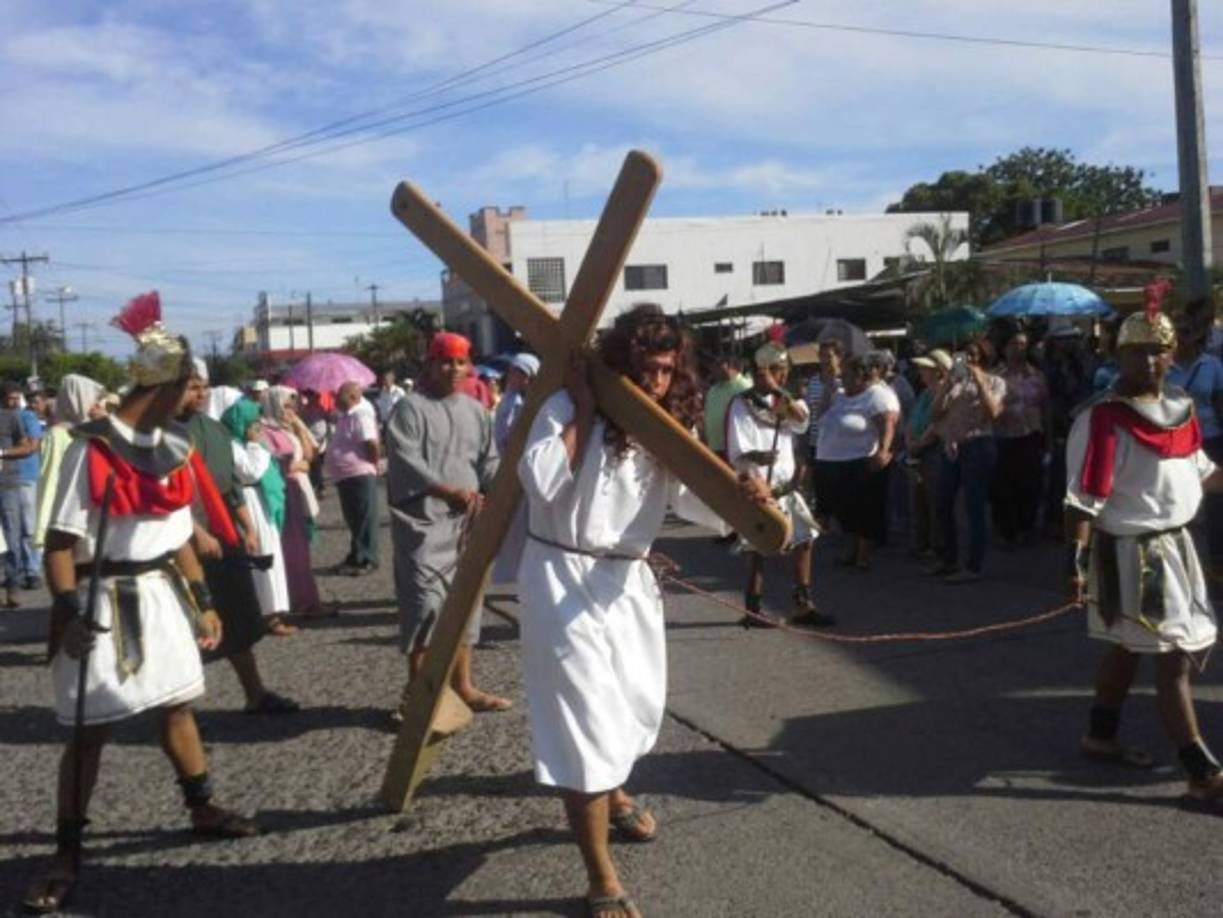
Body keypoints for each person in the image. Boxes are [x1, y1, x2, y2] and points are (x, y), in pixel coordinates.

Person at [516, 304, 768, 918]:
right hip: (560, 576)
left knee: (629, 706)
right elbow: (538, 482)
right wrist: (583, 410)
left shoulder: (664, 425)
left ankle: (616, 791)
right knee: (583, 726)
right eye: (644, 369)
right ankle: (600, 878)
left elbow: (694, 500)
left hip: (626, 582)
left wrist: (742, 494)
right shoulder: (562, 406)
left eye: (665, 370)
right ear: (619, 363)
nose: (654, 381)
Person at [21, 293, 257, 915]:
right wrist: (69, 608)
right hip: (100, 601)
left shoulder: (172, 447)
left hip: (160, 596)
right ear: (167, 385)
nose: (191, 396)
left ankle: (201, 807)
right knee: (90, 732)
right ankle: (66, 853)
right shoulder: (89, 448)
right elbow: (59, 543)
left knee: (178, 708)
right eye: (187, 386)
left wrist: (203, 600)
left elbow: (178, 538)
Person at [1066, 283, 1223, 809]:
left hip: (1177, 545)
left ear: (1173, 353)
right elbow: (1082, 499)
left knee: (1127, 644)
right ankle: (1202, 773)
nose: (1150, 360)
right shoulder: (1102, 417)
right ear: (1119, 355)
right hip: (1134, 553)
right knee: (1173, 657)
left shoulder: (1180, 408)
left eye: (1159, 350)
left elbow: (1201, 473)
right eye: (1138, 351)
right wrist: (1075, 562)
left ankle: (1099, 733)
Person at [385, 331, 509, 720]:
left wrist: (505, 487)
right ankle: (417, 694)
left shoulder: (476, 410)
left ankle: (463, 686)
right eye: (445, 361)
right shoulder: (410, 408)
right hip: (423, 523)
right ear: (430, 364)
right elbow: (405, 460)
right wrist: (446, 491)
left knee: (466, 600)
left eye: (460, 361)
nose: (453, 369)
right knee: (424, 604)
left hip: (468, 522)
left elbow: (488, 460)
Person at [181, 361, 297, 714]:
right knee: (186, 624)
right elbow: (164, 496)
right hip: (181, 540)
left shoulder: (213, 429)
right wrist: (195, 530)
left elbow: (229, 484)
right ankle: (180, 711)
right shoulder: (161, 434)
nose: (201, 394)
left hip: (222, 532)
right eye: (192, 387)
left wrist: (246, 526)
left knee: (236, 617)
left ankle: (255, 692)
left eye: (204, 387)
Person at [726, 341, 825, 627]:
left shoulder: (786, 400)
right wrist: (757, 456)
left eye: (783, 370)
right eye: (777, 370)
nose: (782, 375)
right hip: (760, 486)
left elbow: (801, 421)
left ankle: (803, 603)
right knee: (760, 549)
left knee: (805, 539)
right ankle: (753, 609)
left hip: (786, 486)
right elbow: (736, 448)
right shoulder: (741, 404)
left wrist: (779, 392)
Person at [815, 351, 900, 571]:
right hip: (835, 461)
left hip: (861, 461)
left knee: (865, 510)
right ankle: (850, 550)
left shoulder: (877, 395)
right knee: (845, 511)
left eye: (846, 375)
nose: (842, 379)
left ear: (861, 376)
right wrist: (829, 388)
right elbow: (822, 417)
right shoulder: (841, 395)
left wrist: (883, 451)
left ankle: (863, 555)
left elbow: (888, 424)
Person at [929, 340, 1005, 583]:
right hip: (952, 446)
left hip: (978, 444)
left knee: (974, 505)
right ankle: (948, 559)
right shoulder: (955, 382)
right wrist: (946, 385)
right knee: (943, 503)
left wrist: (980, 380)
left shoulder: (996, 381)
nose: (968, 359)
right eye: (963, 355)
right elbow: (935, 414)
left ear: (983, 357)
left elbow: (993, 413)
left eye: (973, 354)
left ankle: (973, 565)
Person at [220, 397, 293, 634]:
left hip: (261, 501)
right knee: (261, 555)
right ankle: (265, 613)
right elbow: (250, 472)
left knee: (272, 553)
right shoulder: (232, 445)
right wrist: (254, 444)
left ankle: (276, 610)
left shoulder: (245, 443)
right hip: (248, 501)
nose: (257, 428)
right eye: (253, 423)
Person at [261, 385, 325, 623]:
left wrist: (299, 427)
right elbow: (275, 464)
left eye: (292, 406)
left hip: (298, 489)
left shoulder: (287, 428)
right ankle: (299, 600)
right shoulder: (266, 430)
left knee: (303, 547)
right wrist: (299, 465)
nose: (291, 410)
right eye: (286, 406)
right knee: (292, 548)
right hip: (284, 490)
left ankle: (308, 598)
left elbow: (310, 455)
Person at [35, 375, 107, 554]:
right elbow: (50, 481)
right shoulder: (68, 438)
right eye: (95, 400)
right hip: (74, 528)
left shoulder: (98, 436)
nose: (100, 406)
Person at [991, 330, 1050, 547]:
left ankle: (1026, 527)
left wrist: (1048, 439)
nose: (1019, 348)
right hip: (1003, 436)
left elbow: (1045, 407)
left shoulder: (1037, 375)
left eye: (1023, 344)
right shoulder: (995, 376)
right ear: (1005, 348)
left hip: (1031, 434)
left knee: (1030, 483)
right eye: (1014, 344)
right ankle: (1006, 530)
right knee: (1003, 484)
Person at [328, 381, 381, 575]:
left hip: (359, 473)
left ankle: (367, 558)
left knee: (364, 518)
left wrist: (373, 463)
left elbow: (371, 443)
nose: (335, 399)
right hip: (347, 475)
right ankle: (356, 555)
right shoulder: (346, 415)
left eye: (339, 395)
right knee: (354, 519)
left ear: (353, 397)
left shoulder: (361, 414)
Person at [906, 350, 950, 559]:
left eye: (926, 368)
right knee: (919, 500)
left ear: (939, 371)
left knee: (935, 500)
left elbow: (937, 424)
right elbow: (912, 420)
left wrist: (920, 444)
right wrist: (910, 441)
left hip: (934, 450)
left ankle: (937, 544)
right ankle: (921, 543)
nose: (921, 372)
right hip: (917, 451)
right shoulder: (924, 393)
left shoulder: (945, 393)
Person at [1, 382, 44, 592]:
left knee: (27, 528)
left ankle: (31, 571)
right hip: (9, 479)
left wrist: (4, 453)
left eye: (17, 398)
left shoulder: (27, 417)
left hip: (25, 477)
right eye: (11, 398)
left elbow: (32, 445)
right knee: (11, 529)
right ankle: (15, 572)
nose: (14, 402)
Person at [702, 353, 751, 461]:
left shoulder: (745, 386)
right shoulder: (713, 390)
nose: (713, 369)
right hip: (714, 448)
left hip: (735, 449)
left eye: (716, 365)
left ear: (728, 365)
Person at [493, 352, 540, 452]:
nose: (511, 376)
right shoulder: (508, 399)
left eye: (516, 372)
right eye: (511, 371)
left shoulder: (536, 403)